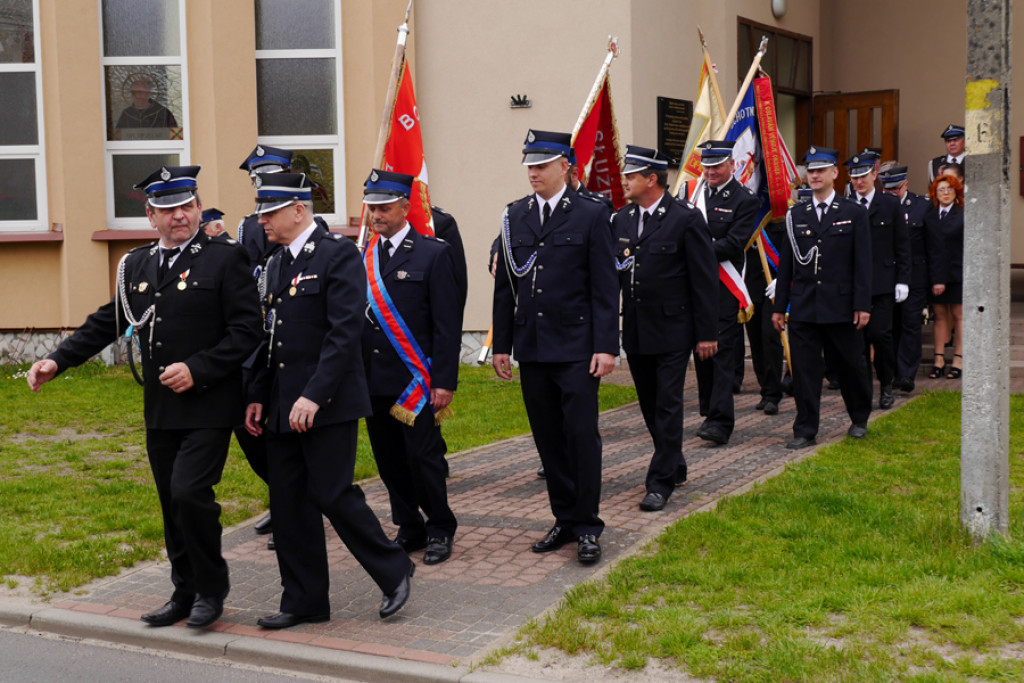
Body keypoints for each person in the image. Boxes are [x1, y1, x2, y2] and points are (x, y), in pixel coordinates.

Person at [27, 166, 263, 629]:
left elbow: (247, 331)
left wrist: (198, 368)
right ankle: (184, 591)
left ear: (198, 207)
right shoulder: (135, 265)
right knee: (170, 503)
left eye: (187, 206)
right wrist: (58, 360)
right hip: (161, 408)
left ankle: (212, 590)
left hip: (211, 403)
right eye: (168, 210)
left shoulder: (224, 259)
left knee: (190, 493)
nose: (180, 217)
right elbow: (109, 320)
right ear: (151, 216)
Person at [244, 172, 413, 629]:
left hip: (328, 402)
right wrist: (259, 394)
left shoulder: (338, 255)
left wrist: (314, 396)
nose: (262, 222)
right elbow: (270, 337)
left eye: (270, 213)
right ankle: (304, 600)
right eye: (260, 214)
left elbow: (344, 333)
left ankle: (394, 568)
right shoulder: (277, 263)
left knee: (333, 494)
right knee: (289, 503)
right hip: (282, 403)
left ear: (298, 210)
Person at [492, 129, 618, 563]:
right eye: (529, 164)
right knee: (548, 439)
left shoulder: (591, 213)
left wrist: (606, 346)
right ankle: (564, 517)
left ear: (565, 166)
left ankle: (587, 525)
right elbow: (506, 288)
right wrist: (501, 344)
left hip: (578, 347)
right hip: (533, 346)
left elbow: (605, 285)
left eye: (542, 164)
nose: (534, 172)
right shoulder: (515, 216)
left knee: (581, 436)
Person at [361, 170, 461, 564]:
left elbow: (447, 324)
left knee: (423, 459)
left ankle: (439, 526)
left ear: (405, 207)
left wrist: (444, 382)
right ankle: (410, 526)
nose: (376, 215)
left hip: (415, 383)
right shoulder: (363, 256)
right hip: (373, 379)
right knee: (388, 459)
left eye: (384, 208)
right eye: (372, 208)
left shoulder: (433, 253)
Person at [612, 145, 717, 511]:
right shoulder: (622, 219)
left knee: (668, 404)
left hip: (675, 329)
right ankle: (673, 459)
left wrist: (707, 333)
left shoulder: (685, 218)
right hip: (638, 329)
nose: (625, 181)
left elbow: (704, 281)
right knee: (649, 404)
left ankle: (659, 482)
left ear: (651, 179)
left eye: (632, 176)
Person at [772, 146, 873, 449]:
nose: (814, 176)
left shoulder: (853, 213)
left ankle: (858, 417)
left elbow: (862, 263)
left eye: (820, 170)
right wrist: (779, 307)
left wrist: (862, 305)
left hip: (841, 306)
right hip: (804, 306)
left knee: (850, 366)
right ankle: (805, 429)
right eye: (810, 171)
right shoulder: (796, 214)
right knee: (804, 371)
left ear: (834, 174)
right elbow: (787, 264)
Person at [693, 140, 759, 446]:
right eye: (706, 166)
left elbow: (734, 243)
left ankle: (720, 422)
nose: (710, 172)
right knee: (701, 352)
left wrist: (692, 253)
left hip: (725, 286)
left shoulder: (744, 200)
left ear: (731, 165)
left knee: (720, 351)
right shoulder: (694, 193)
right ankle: (709, 411)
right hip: (695, 287)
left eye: (717, 166)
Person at [845, 154, 910, 410]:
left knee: (880, 336)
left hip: (882, 284)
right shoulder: (845, 205)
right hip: (851, 286)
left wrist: (903, 280)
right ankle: (863, 391)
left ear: (874, 175)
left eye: (863, 176)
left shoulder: (890, 205)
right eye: (854, 177)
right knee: (856, 342)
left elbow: (902, 246)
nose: (859, 181)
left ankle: (885, 384)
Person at [880, 165, 931, 392]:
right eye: (888, 190)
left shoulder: (922, 206)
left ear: (906, 185)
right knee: (889, 327)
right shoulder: (877, 207)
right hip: (887, 277)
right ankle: (890, 373)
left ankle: (906, 374)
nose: (892, 193)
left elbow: (933, 245)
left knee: (910, 325)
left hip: (915, 276)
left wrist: (935, 279)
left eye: (896, 189)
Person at [924, 174, 965, 379]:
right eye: (941, 189)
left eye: (950, 189)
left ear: (956, 191)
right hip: (936, 273)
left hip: (957, 273)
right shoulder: (930, 212)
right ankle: (938, 358)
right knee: (939, 316)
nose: (946, 193)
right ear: (935, 193)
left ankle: (958, 358)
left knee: (959, 315)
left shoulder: (963, 213)